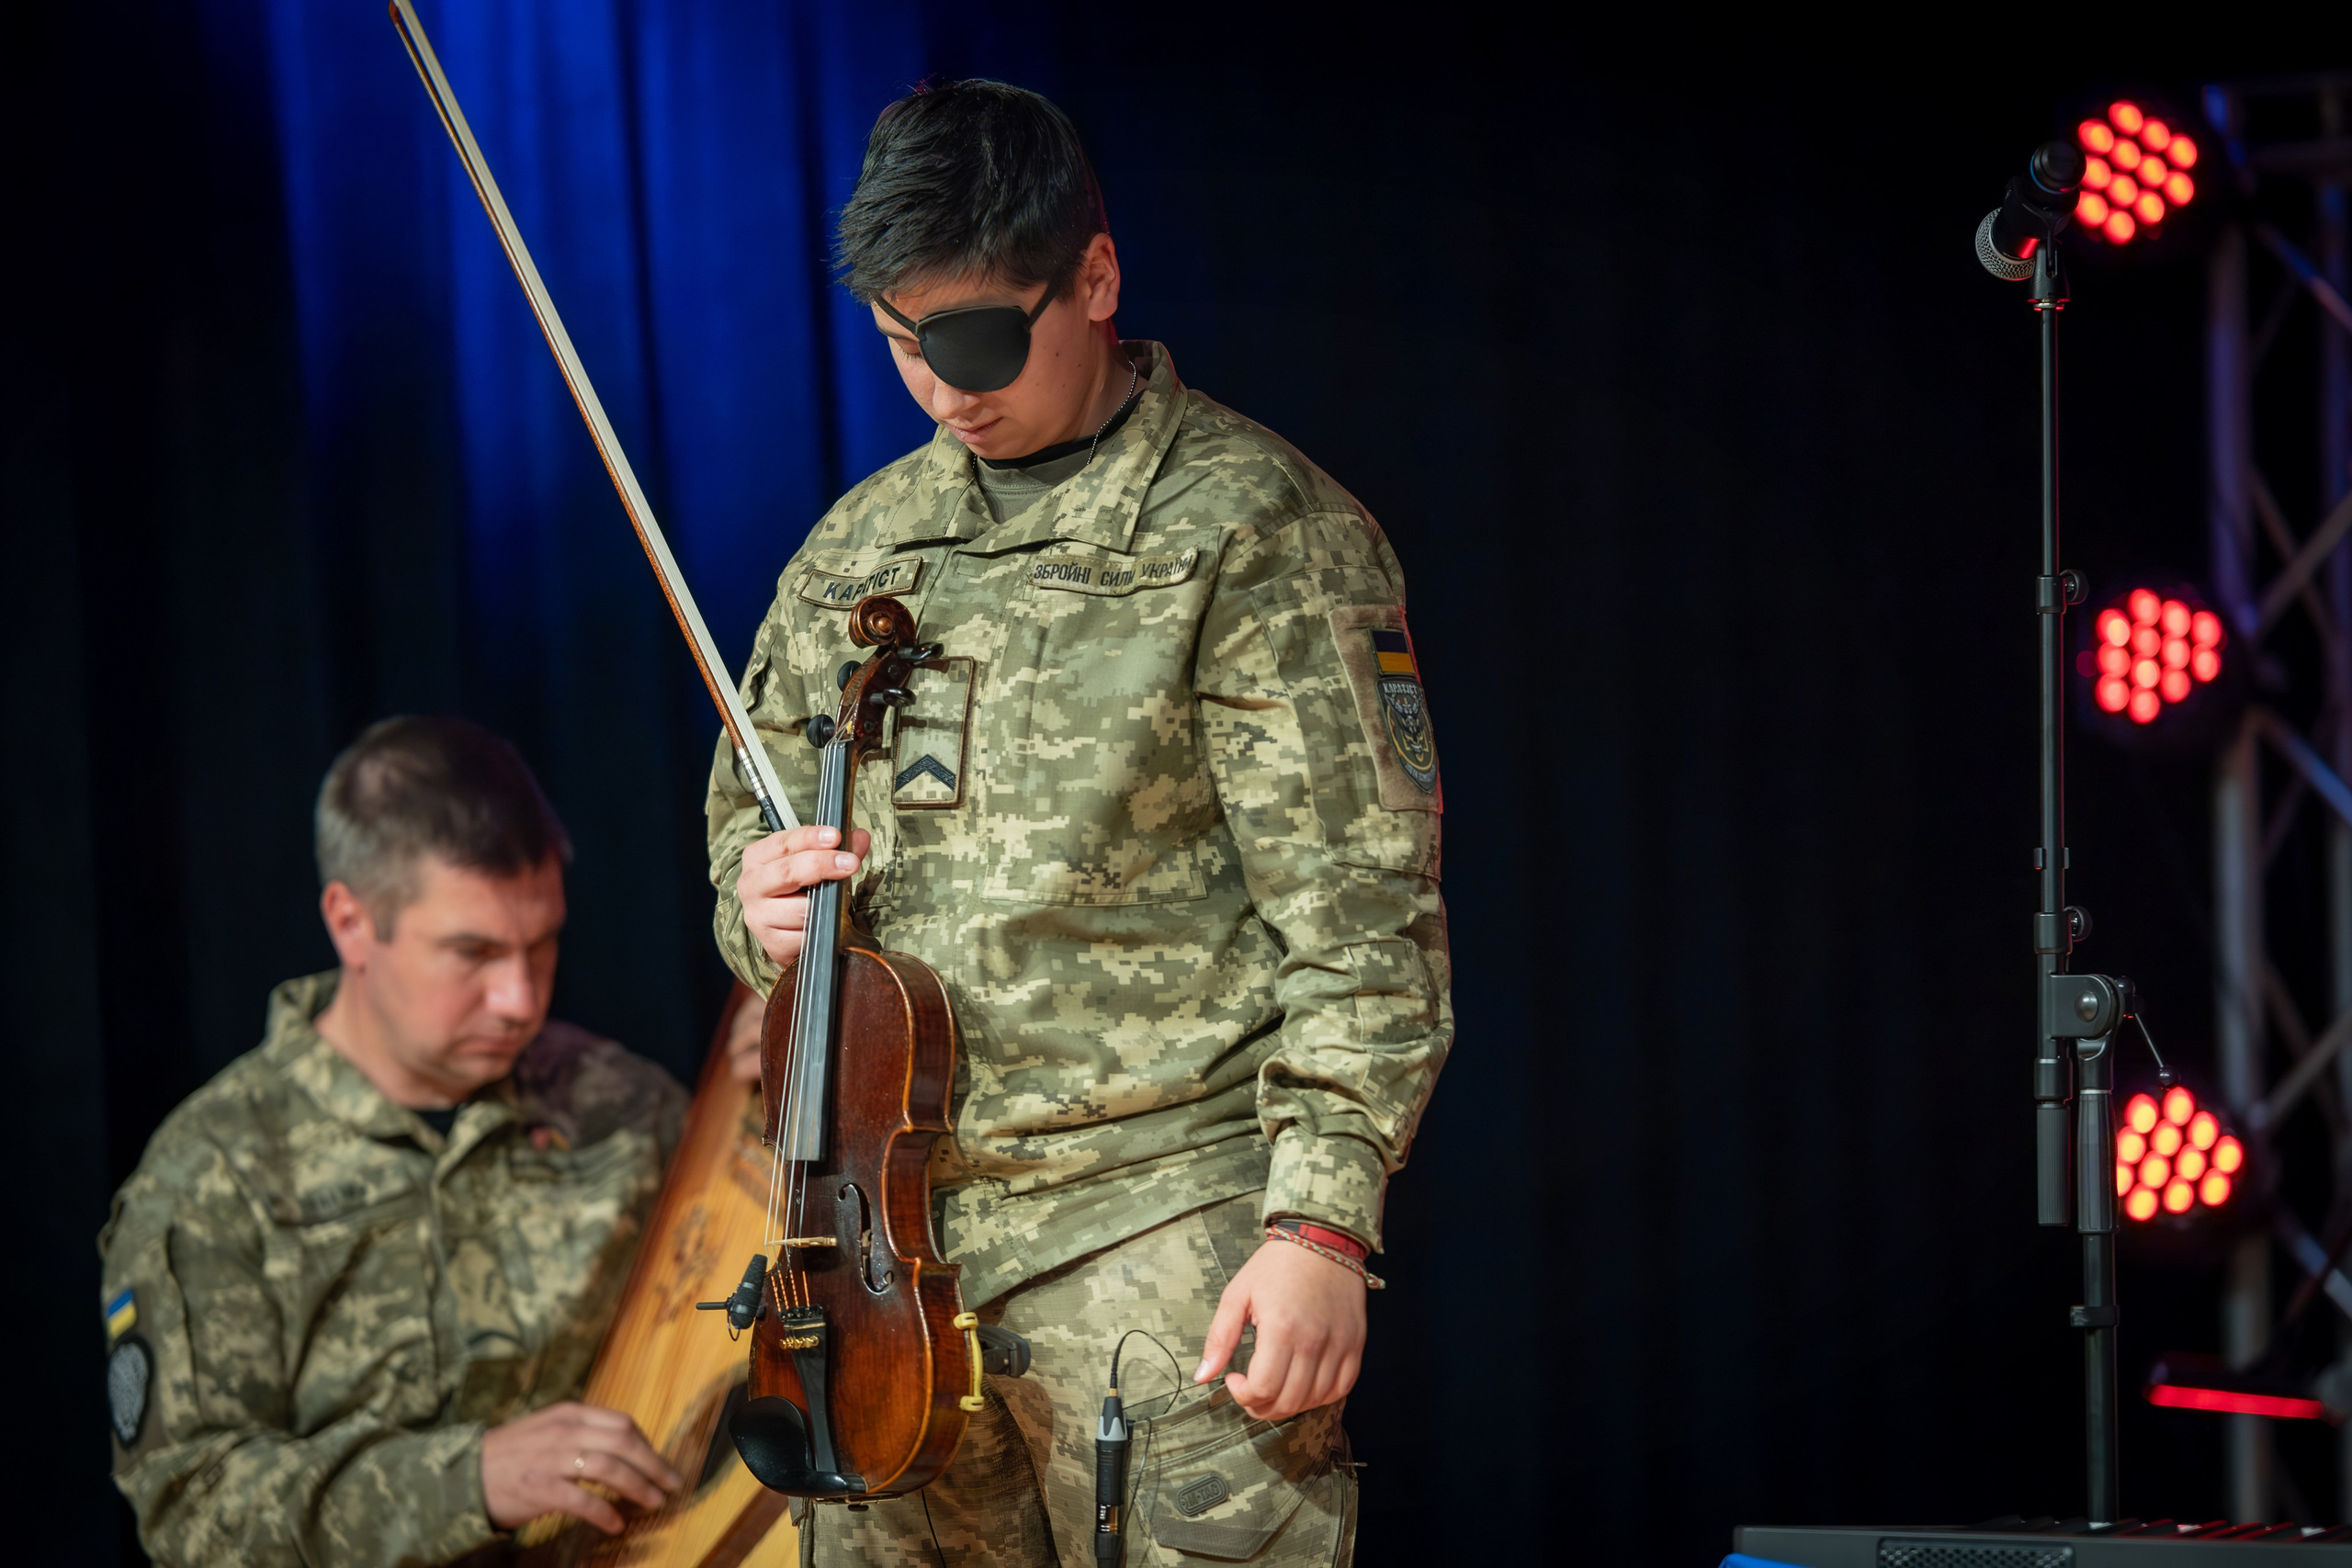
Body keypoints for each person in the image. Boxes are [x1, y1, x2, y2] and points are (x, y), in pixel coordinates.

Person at [707, 80, 1452, 1566]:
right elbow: (748, 814)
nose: (943, 389)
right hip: (882, 1271)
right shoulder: (852, 551)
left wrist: (1318, 1225)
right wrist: (757, 897)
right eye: (903, 343)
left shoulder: (1256, 528)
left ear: (1095, 279)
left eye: (980, 339)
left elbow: (1365, 915)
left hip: (1162, 1237)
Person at [101, 716, 690, 1566]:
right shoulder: (214, 1173)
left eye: (543, 942)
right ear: (350, 920)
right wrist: (469, 1481)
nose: (519, 998)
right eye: (473, 951)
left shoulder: (624, 1103)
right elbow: (194, 1508)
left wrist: (771, 1094)